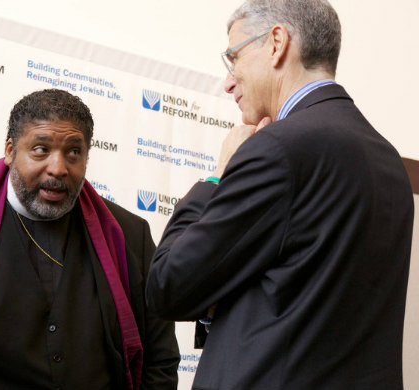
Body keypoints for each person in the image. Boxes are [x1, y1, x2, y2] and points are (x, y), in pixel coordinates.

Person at [145, 0, 413, 389]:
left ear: (276, 43)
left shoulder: (278, 148)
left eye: (233, 57)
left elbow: (168, 285)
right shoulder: (388, 160)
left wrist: (217, 177)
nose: (229, 80)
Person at [0, 88, 180, 389]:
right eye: (41, 150)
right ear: (10, 151)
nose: (58, 169)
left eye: (74, 152)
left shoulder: (128, 235)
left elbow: (159, 359)